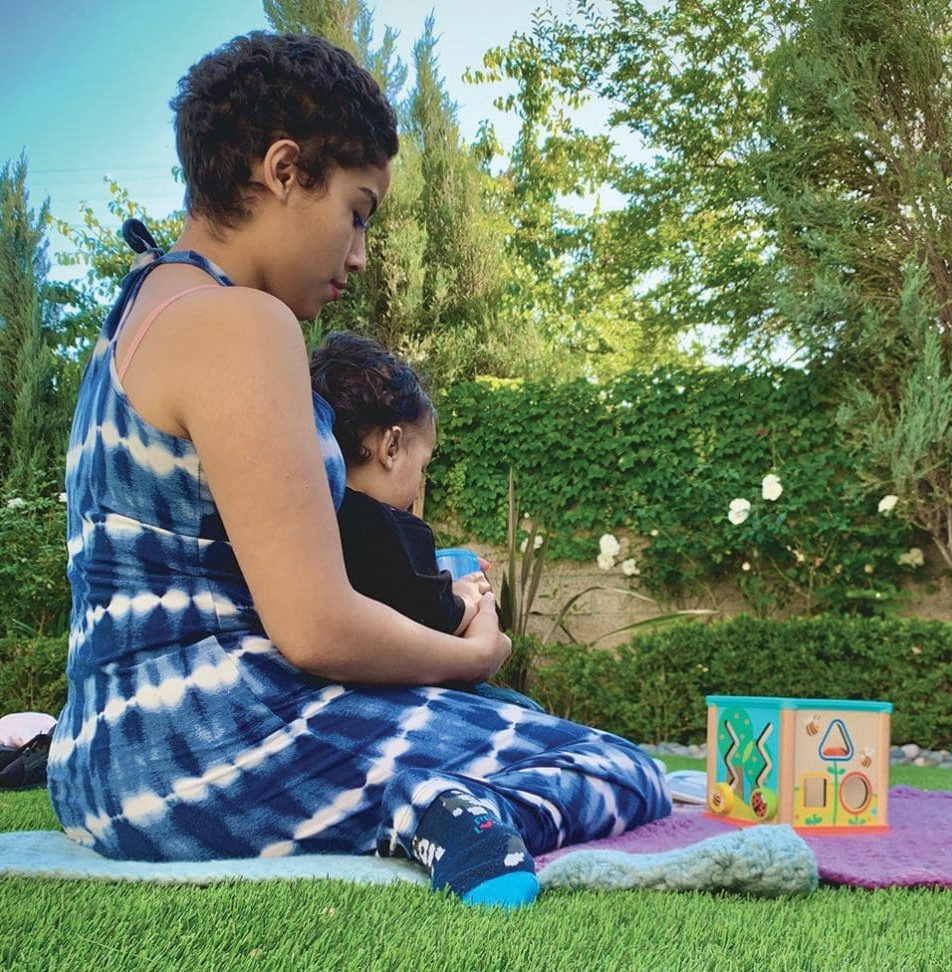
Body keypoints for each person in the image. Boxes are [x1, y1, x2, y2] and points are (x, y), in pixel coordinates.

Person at [47, 31, 670, 910]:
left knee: (526, 728)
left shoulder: (136, 320)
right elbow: (315, 628)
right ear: (285, 170)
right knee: (616, 764)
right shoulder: (244, 324)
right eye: (359, 210)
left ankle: (439, 790)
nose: (360, 254)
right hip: (216, 750)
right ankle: (438, 806)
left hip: (99, 761)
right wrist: (474, 659)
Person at [310, 330, 545, 711]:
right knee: (520, 707)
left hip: (337, 696)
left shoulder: (316, 516)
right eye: (423, 466)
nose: (421, 484)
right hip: (394, 697)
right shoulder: (394, 527)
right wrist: (471, 599)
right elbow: (434, 616)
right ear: (390, 447)